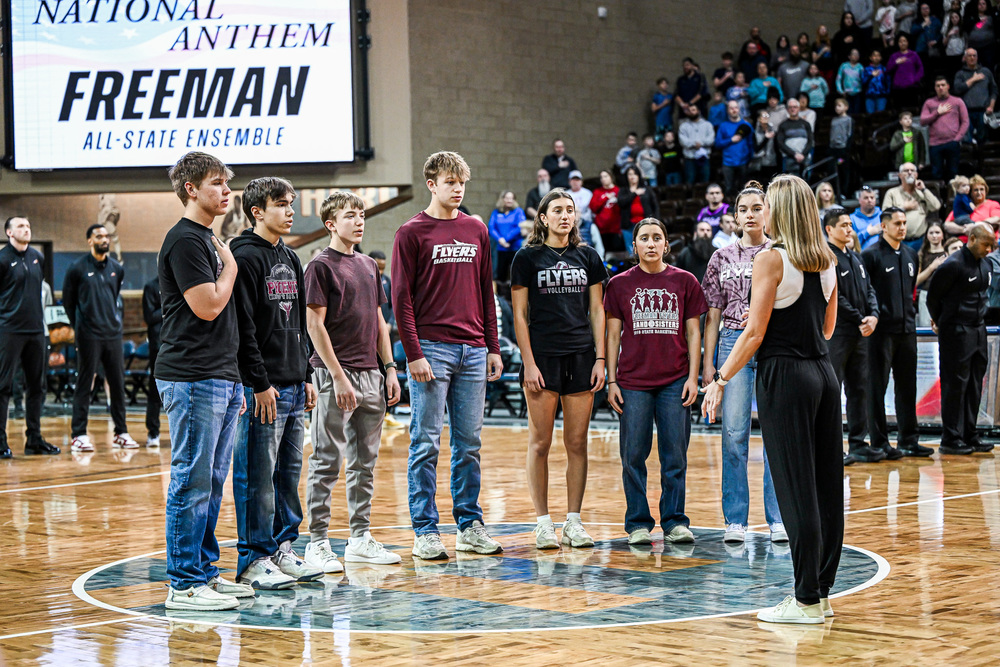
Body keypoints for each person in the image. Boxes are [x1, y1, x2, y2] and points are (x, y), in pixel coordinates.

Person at [702, 175, 841, 625]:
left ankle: (803, 601)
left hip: (786, 375)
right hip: (823, 372)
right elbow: (828, 329)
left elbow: (755, 332)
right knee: (825, 488)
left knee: (795, 487)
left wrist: (720, 378)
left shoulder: (770, 260)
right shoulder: (827, 258)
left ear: (780, 210)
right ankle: (820, 592)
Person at [391, 151, 504, 561]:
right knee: (425, 443)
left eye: (462, 182)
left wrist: (492, 346)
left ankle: (469, 524)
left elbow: (485, 294)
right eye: (450, 181)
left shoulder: (476, 229)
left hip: (473, 351)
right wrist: (414, 353)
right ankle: (424, 530)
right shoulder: (411, 232)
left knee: (469, 443)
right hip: (431, 352)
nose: (457, 189)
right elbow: (401, 300)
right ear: (431, 184)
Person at [157, 151, 248, 611]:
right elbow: (208, 305)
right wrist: (230, 267)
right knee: (191, 480)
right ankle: (183, 583)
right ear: (191, 189)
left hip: (221, 375)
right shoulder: (186, 241)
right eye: (216, 183)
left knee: (211, 480)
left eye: (226, 183)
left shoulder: (209, 239)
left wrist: (238, 380)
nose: (226, 191)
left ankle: (205, 573)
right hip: (191, 375)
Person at [228, 177, 325, 590]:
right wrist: (259, 382)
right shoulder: (243, 257)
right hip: (261, 388)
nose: (290, 211)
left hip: (291, 383)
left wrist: (306, 375)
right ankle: (254, 557)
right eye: (282, 205)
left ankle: (283, 549)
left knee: (287, 475)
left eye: (291, 203)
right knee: (256, 473)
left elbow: (299, 324)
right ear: (257, 211)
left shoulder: (290, 256)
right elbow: (242, 327)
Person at [304, 190, 403, 576]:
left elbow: (380, 321)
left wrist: (389, 367)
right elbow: (314, 325)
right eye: (350, 215)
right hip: (335, 375)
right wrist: (338, 376)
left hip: (370, 374)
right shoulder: (320, 266)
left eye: (361, 214)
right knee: (327, 460)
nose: (359, 221)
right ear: (331, 223)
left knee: (366, 461)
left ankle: (360, 539)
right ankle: (317, 542)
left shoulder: (368, 265)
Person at [511, 189, 607, 550]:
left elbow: (598, 311)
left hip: (581, 355)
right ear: (543, 218)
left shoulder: (589, 257)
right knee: (540, 442)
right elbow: (520, 315)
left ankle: (574, 521)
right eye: (558, 210)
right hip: (543, 358)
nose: (565, 216)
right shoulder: (526, 258)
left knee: (577, 443)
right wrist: (529, 362)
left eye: (570, 210)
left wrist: (600, 359)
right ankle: (542, 522)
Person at [606, 218, 707, 546]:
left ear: (667, 245)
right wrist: (611, 380)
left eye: (657, 238)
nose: (650, 243)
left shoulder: (686, 281)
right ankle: (637, 522)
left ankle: (675, 521)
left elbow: (694, 331)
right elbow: (611, 335)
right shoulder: (619, 284)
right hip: (632, 381)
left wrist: (693, 377)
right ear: (634, 246)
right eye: (644, 238)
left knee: (675, 454)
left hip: (675, 381)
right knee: (633, 454)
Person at [701, 181, 785, 545]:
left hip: (771, 342)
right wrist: (709, 364)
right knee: (734, 433)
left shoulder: (782, 252)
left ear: (768, 212)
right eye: (744, 210)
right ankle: (735, 519)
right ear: (734, 217)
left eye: (756, 208)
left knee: (774, 435)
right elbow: (712, 316)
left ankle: (778, 518)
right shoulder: (721, 257)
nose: (750, 215)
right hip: (732, 344)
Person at [862, 207, 933, 459]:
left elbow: (910, 292)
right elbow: (864, 293)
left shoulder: (911, 254)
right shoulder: (870, 255)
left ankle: (908, 440)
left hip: (907, 331)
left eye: (904, 223)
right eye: (897, 223)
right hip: (880, 333)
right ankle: (879, 443)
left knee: (907, 387)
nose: (902, 227)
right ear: (884, 226)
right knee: (876, 388)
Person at [63, 224, 137, 452]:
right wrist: (80, 326)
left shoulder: (116, 268)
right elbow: (69, 302)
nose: (104, 239)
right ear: (89, 241)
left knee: (117, 383)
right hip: (88, 335)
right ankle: (78, 435)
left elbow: (114, 297)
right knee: (85, 383)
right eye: (99, 236)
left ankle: (121, 432)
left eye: (106, 236)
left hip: (112, 334)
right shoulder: (77, 269)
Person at [927, 222, 997, 454]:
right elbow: (933, 299)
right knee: (955, 385)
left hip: (978, 330)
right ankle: (951, 438)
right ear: (973, 239)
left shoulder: (986, 264)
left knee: (975, 385)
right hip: (956, 330)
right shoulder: (953, 265)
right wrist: (942, 322)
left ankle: (970, 433)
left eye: (993, 245)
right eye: (987, 244)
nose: (990, 249)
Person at [825, 208, 885, 462]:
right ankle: (832, 447)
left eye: (850, 224)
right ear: (829, 229)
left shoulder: (856, 257)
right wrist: (861, 318)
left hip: (861, 333)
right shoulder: (827, 258)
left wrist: (874, 315)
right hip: (838, 334)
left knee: (859, 388)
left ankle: (858, 443)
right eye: (844, 225)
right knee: (832, 390)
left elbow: (870, 289)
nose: (849, 229)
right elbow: (834, 297)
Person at [0, 217, 59, 458]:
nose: (27, 229)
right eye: (21, 226)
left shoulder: (38, 257)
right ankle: (0, 441)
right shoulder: (2, 259)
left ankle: (34, 438)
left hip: (36, 331)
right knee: (2, 386)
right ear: (9, 232)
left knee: (37, 386)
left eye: (28, 226)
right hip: (9, 330)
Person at [882, 162, 942, 250]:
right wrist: (903, 208)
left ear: (916, 175)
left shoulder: (922, 193)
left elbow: (936, 206)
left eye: (912, 171)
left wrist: (924, 189)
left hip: (920, 240)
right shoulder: (892, 193)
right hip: (899, 240)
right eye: (906, 171)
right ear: (900, 175)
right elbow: (885, 215)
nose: (910, 173)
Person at [920, 75, 969, 181]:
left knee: (953, 173)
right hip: (935, 144)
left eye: (943, 85)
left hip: (952, 142)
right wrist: (937, 113)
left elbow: (965, 121)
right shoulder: (929, 103)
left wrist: (957, 138)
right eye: (938, 86)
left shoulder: (957, 101)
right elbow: (923, 121)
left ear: (948, 86)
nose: (940, 88)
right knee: (936, 173)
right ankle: (939, 197)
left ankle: (952, 196)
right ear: (935, 88)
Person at [953, 47, 997, 144]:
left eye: (974, 55)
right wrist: (973, 79)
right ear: (965, 58)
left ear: (977, 57)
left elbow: (994, 90)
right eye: (969, 55)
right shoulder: (960, 74)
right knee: (967, 140)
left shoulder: (986, 71)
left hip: (983, 111)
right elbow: (957, 89)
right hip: (966, 111)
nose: (972, 58)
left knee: (983, 139)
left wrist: (991, 106)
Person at [716, 101, 754, 197]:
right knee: (728, 189)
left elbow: (751, 143)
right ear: (727, 110)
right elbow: (717, 144)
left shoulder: (747, 125)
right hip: (728, 163)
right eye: (731, 108)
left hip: (743, 162)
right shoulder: (723, 126)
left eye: (736, 107)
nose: (734, 110)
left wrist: (751, 158)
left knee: (744, 190)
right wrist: (730, 140)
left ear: (739, 109)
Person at [488, 190, 527, 283]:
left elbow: (520, 226)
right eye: (507, 198)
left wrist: (506, 239)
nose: (509, 200)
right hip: (501, 248)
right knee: (501, 274)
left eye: (511, 198)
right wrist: (500, 239)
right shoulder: (496, 212)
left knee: (516, 273)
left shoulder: (518, 211)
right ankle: (500, 295)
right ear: (502, 199)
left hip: (514, 247)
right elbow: (491, 227)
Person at [142, 275, 163, 447]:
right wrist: (171, 304)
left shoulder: (180, 282)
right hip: (158, 345)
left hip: (178, 343)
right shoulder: (151, 286)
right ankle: (153, 432)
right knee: (155, 389)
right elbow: (149, 316)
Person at [618, 165, 660, 251]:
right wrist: (634, 194)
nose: (632, 176)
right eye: (630, 174)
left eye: (635, 174)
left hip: (645, 224)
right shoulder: (623, 190)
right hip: (628, 225)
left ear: (638, 176)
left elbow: (655, 206)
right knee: (631, 252)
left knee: (646, 249)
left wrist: (656, 221)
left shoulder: (647, 189)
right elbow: (621, 203)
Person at [916, 222, 948, 325]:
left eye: (937, 232)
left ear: (943, 235)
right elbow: (915, 281)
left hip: (945, 295)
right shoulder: (921, 254)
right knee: (926, 328)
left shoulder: (948, 253)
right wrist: (932, 267)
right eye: (931, 233)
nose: (934, 236)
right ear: (926, 235)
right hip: (926, 294)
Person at [775, 98, 814, 177]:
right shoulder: (783, 125)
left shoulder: (806, 124)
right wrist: (794, 154)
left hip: (805, 157)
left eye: (795, 107)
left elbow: (810, 141)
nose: (793, 109)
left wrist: (803, 154)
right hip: (789, 158)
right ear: (787, 109)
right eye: (790, 107)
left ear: (799, 108)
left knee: (806, 183)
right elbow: (780, 143)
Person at [887, 34, 925, 109]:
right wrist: (896, 63)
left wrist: (915, 79)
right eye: (900, 41)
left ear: (908, 42)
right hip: (898, 88)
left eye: (904, 41)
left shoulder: (914, 55)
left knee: (912, 109)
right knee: (900, 110)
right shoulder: (894, 56)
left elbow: (921, 69)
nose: (902, 43)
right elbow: (888, 70)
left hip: (912, 87)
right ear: (897, 43)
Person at [678, 105, 714, 184]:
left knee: (705, 179)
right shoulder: (683, 126)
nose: (692, 112)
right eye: (689, 110)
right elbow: (683, 141)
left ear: (698, 111)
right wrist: (694, 144)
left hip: (704, 157)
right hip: (689, 158)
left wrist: (701, 143)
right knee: (690, 180)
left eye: (693, 110)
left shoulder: (707, 125)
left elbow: (711, 139)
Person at [591, 170, 623, 254]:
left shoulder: (618, 191)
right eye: (601, 177)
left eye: (605, 176)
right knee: (604, 252)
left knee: (617, 252)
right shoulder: (597, 192)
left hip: (615, 228)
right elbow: (593, 207)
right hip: (601, 228)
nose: (603, 179)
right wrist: (605, 198)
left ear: (611, 177)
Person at [567, 170, 599, 251]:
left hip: (586, 224)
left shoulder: (588, 193)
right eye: (573, 180)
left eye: (577, 180)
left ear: (581, 181)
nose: (575, 182)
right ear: (569, 181)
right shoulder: (566, 194)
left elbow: (591, 210)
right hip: (570, 225)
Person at [962, 0, 997, 69]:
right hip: (974, 47)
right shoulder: (972, 18)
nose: (981, 5)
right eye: (979, 4)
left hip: (987, 47)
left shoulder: (991, 18)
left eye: (983, 4)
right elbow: (966, 30)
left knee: (988, 67)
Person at [829, 103, 854, 192]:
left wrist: (846, 149)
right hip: (833, 149)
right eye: (836, 106)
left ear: (846, 107)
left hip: (843, 150)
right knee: (832, 170)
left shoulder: (848, 119)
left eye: (839, 105)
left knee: (842, 170)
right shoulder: (834, 119)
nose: (837, 108)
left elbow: (850, 134)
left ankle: (844, 191)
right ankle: (835, 191)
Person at [836, 48, 866, 114]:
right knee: (848, 112)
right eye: (854, 54)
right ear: (849, 56)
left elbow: (863, 80)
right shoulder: (843, 66)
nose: (856, 56)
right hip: (846, 93)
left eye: (857, 54)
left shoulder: (860, 67)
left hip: (857, 92)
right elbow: (838, 79)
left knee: (857, 112)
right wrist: (840, 91)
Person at [863, 50, 892, 114]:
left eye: (878, 55)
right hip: (869, 96)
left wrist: (887, 93)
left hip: (881, 96)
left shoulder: (884, 69)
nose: (876, 57)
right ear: (870, 57)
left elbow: (888, 82)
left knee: (880, 115)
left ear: (881, 58)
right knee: (870, 115)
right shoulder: (867, 69)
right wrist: (871, 75)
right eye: (874, 55)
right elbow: (863, 82)